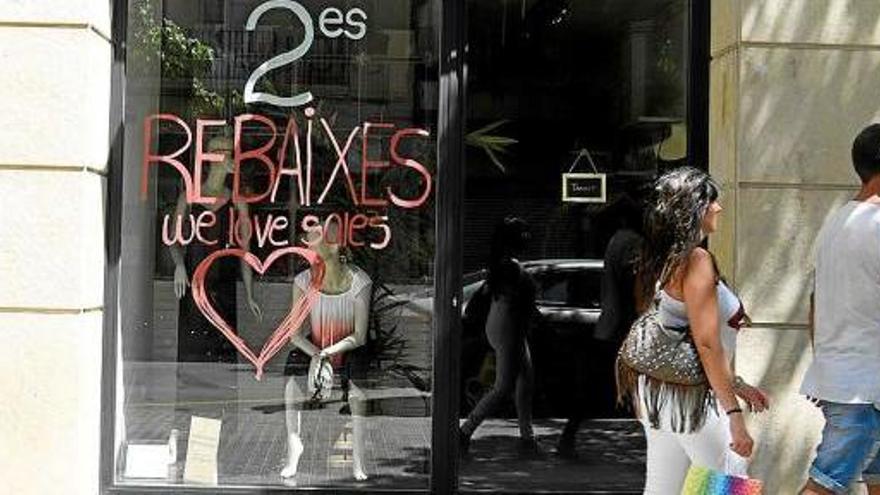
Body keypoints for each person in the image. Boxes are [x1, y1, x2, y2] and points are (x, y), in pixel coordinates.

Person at [621, 167, 769, 494]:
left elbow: (677, 335)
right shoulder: (697, 260)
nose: (719, 208)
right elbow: (705, 343)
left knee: (664, 488)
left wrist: (738, 384)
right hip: (693, 399)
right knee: (730, 484)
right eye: (712, 201)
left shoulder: (661, 258)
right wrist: (734, 414)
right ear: (694, 208)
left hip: (659, 393)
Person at [800, 124, 880, 495]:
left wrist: (826, 366)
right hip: (865, 390)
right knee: (825, 485)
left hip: (851, 382)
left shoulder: (836, 223)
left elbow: (815, 305)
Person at [281, 223, 372, 481]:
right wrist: (317, 355)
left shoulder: (359, 281)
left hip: (347, 347)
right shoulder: (303, 281)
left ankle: (358, 456)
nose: (312, 247)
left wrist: (328, 353)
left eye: (317, 241)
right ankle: (293, 445)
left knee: (357, 392)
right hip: (315, 347)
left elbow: (360, 334)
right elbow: (294, 334)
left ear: (335, 245)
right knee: (292, 386)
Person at [459, 216, 539, 455]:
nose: (526, 239)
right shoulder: (509, 266)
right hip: (508, 326)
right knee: (504, 386)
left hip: (505, 324)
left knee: (525, 381)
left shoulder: (503, 264)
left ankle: (528, 438)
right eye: (522, 235)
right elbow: (518, 299)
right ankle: (464, 432)